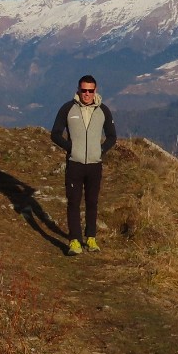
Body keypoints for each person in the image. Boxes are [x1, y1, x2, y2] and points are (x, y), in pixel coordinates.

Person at [50, 74, 117, 256]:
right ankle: (74, 241)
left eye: (90, 90)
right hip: (75, 164)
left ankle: (91, 238)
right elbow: (55, 134)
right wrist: (71, 148)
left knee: (92, 202)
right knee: (73, 202)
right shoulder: (68, 109)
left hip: (95, 164)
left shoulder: (103, 110)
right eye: (84, 90)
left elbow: (112, 136)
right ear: (78, 90)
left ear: (96, 91)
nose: (87, 94)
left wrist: (100, 150)